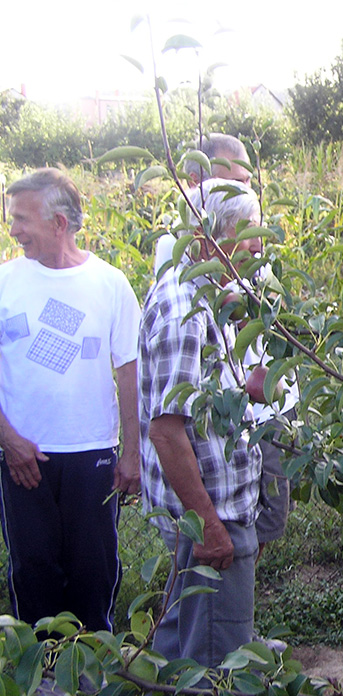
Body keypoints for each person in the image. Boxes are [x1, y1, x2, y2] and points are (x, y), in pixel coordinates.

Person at [0, 168, 141, 632]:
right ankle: (39, 670)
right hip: (25, 457)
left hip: (91, 455)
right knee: (34, 570)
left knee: (93, 571)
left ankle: (96, 668)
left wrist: (132, 455)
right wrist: (9, 441)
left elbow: (128, 372)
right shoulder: (5, 281)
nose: (14, 230)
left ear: (59, 223)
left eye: (22, 219)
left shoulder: (110, 284)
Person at [139, 178, 264, 665]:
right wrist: (209, 526)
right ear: (212, 235)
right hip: (211, 515)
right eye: (250, 230)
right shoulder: (182, 312)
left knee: (187, 631)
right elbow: (166, 431)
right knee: (219, 653)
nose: (258, 243)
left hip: (210, 507)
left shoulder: (207, 291)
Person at [154, 133, 252, 274]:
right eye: (235, 184)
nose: (247, 192)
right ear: (195, 182)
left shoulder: (250, 234)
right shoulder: (175, 244)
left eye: (248, 181)